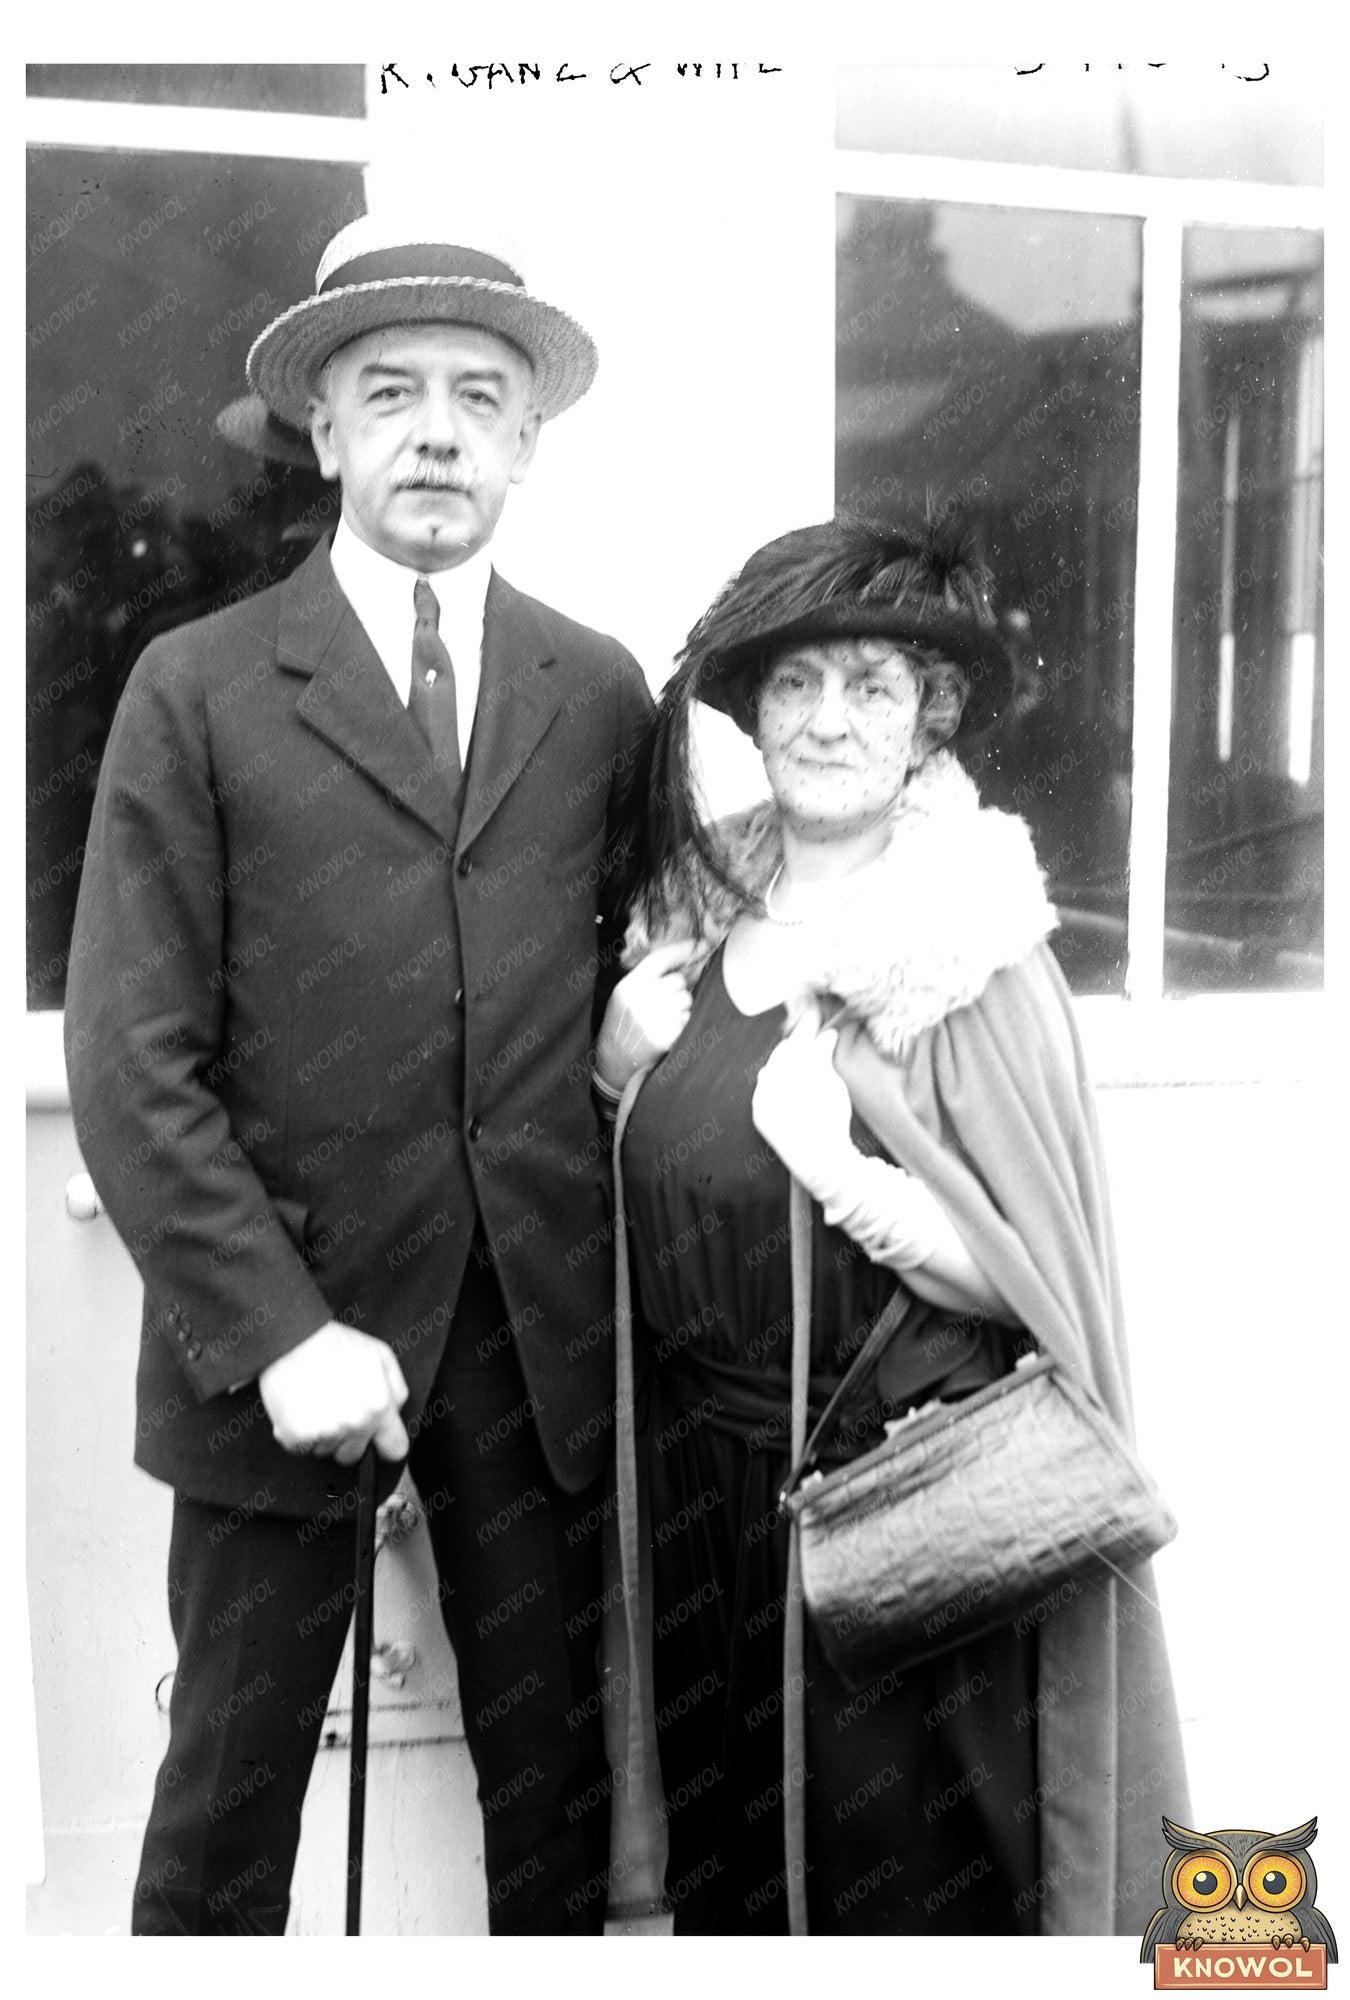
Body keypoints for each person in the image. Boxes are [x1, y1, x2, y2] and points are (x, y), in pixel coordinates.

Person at [65, 213, 652, 1935]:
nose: (438, 432)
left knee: (556, 1812)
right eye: (386, 392)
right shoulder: (200, 686)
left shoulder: (597, 690)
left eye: (481, 395)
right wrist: (277, 1334)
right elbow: (130, 1056)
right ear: (320, 431)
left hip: (537, 1347)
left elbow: (649, 961)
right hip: (283, 1341)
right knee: (226, 1815)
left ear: (530, 438)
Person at [594, 516, 1189, 1934]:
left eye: (872, 686)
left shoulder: (967, 942)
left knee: (892, 1896)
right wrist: (616, 1069)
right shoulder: (686, 917)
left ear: (931, 716)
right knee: (735, 1881)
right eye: (794, 685)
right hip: (704, 1506)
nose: (828, 721)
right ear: (747, 710)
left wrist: (842, 1174)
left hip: (889, 1512)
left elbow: (1027, 1279)